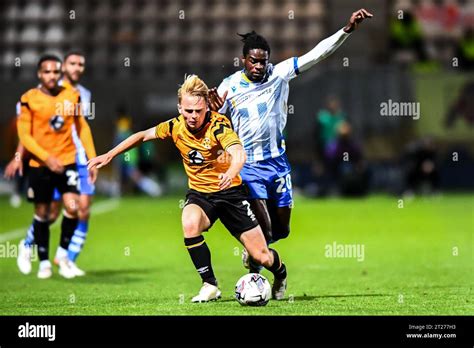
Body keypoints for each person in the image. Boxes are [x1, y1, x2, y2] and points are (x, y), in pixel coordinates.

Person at [88, 75, 288, 302]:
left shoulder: (218, 125)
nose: (193, 116)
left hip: (231, 194)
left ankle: (280, 273)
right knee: (190, 222)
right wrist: (109, 154)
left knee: (261, 257)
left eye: (198, 111)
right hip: (201, 194)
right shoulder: (175, 126)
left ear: (206, 109)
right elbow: (142, 135)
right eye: (188, 111)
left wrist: (230, 172)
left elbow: (238, 153)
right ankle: (210, 285)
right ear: (179, 108)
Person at [208, 9, 373, 272]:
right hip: (247, 166)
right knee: (264, 227)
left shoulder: (279, 73)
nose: (260, 66)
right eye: (254, 61)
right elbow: (210, 123)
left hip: (277, 163)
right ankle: (257, 269)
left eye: (263, 61)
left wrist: (347, 29)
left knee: (281, 231)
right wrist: (213, 112)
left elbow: (317, 54)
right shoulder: (229, 86)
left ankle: (256, 250)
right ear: (243, 60)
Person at [13, 51, 97, 277]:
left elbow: (82, 127)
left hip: (74, 159)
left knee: (80, 208)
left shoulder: (79, 95)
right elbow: (27, 132)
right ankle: (31, 248)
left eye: (81, 64)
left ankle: (65, 258)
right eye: (72, 63)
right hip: (44, 162)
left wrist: (93, 158)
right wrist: (19, 157)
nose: (77, 68)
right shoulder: (32, 97)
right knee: (48, 213)